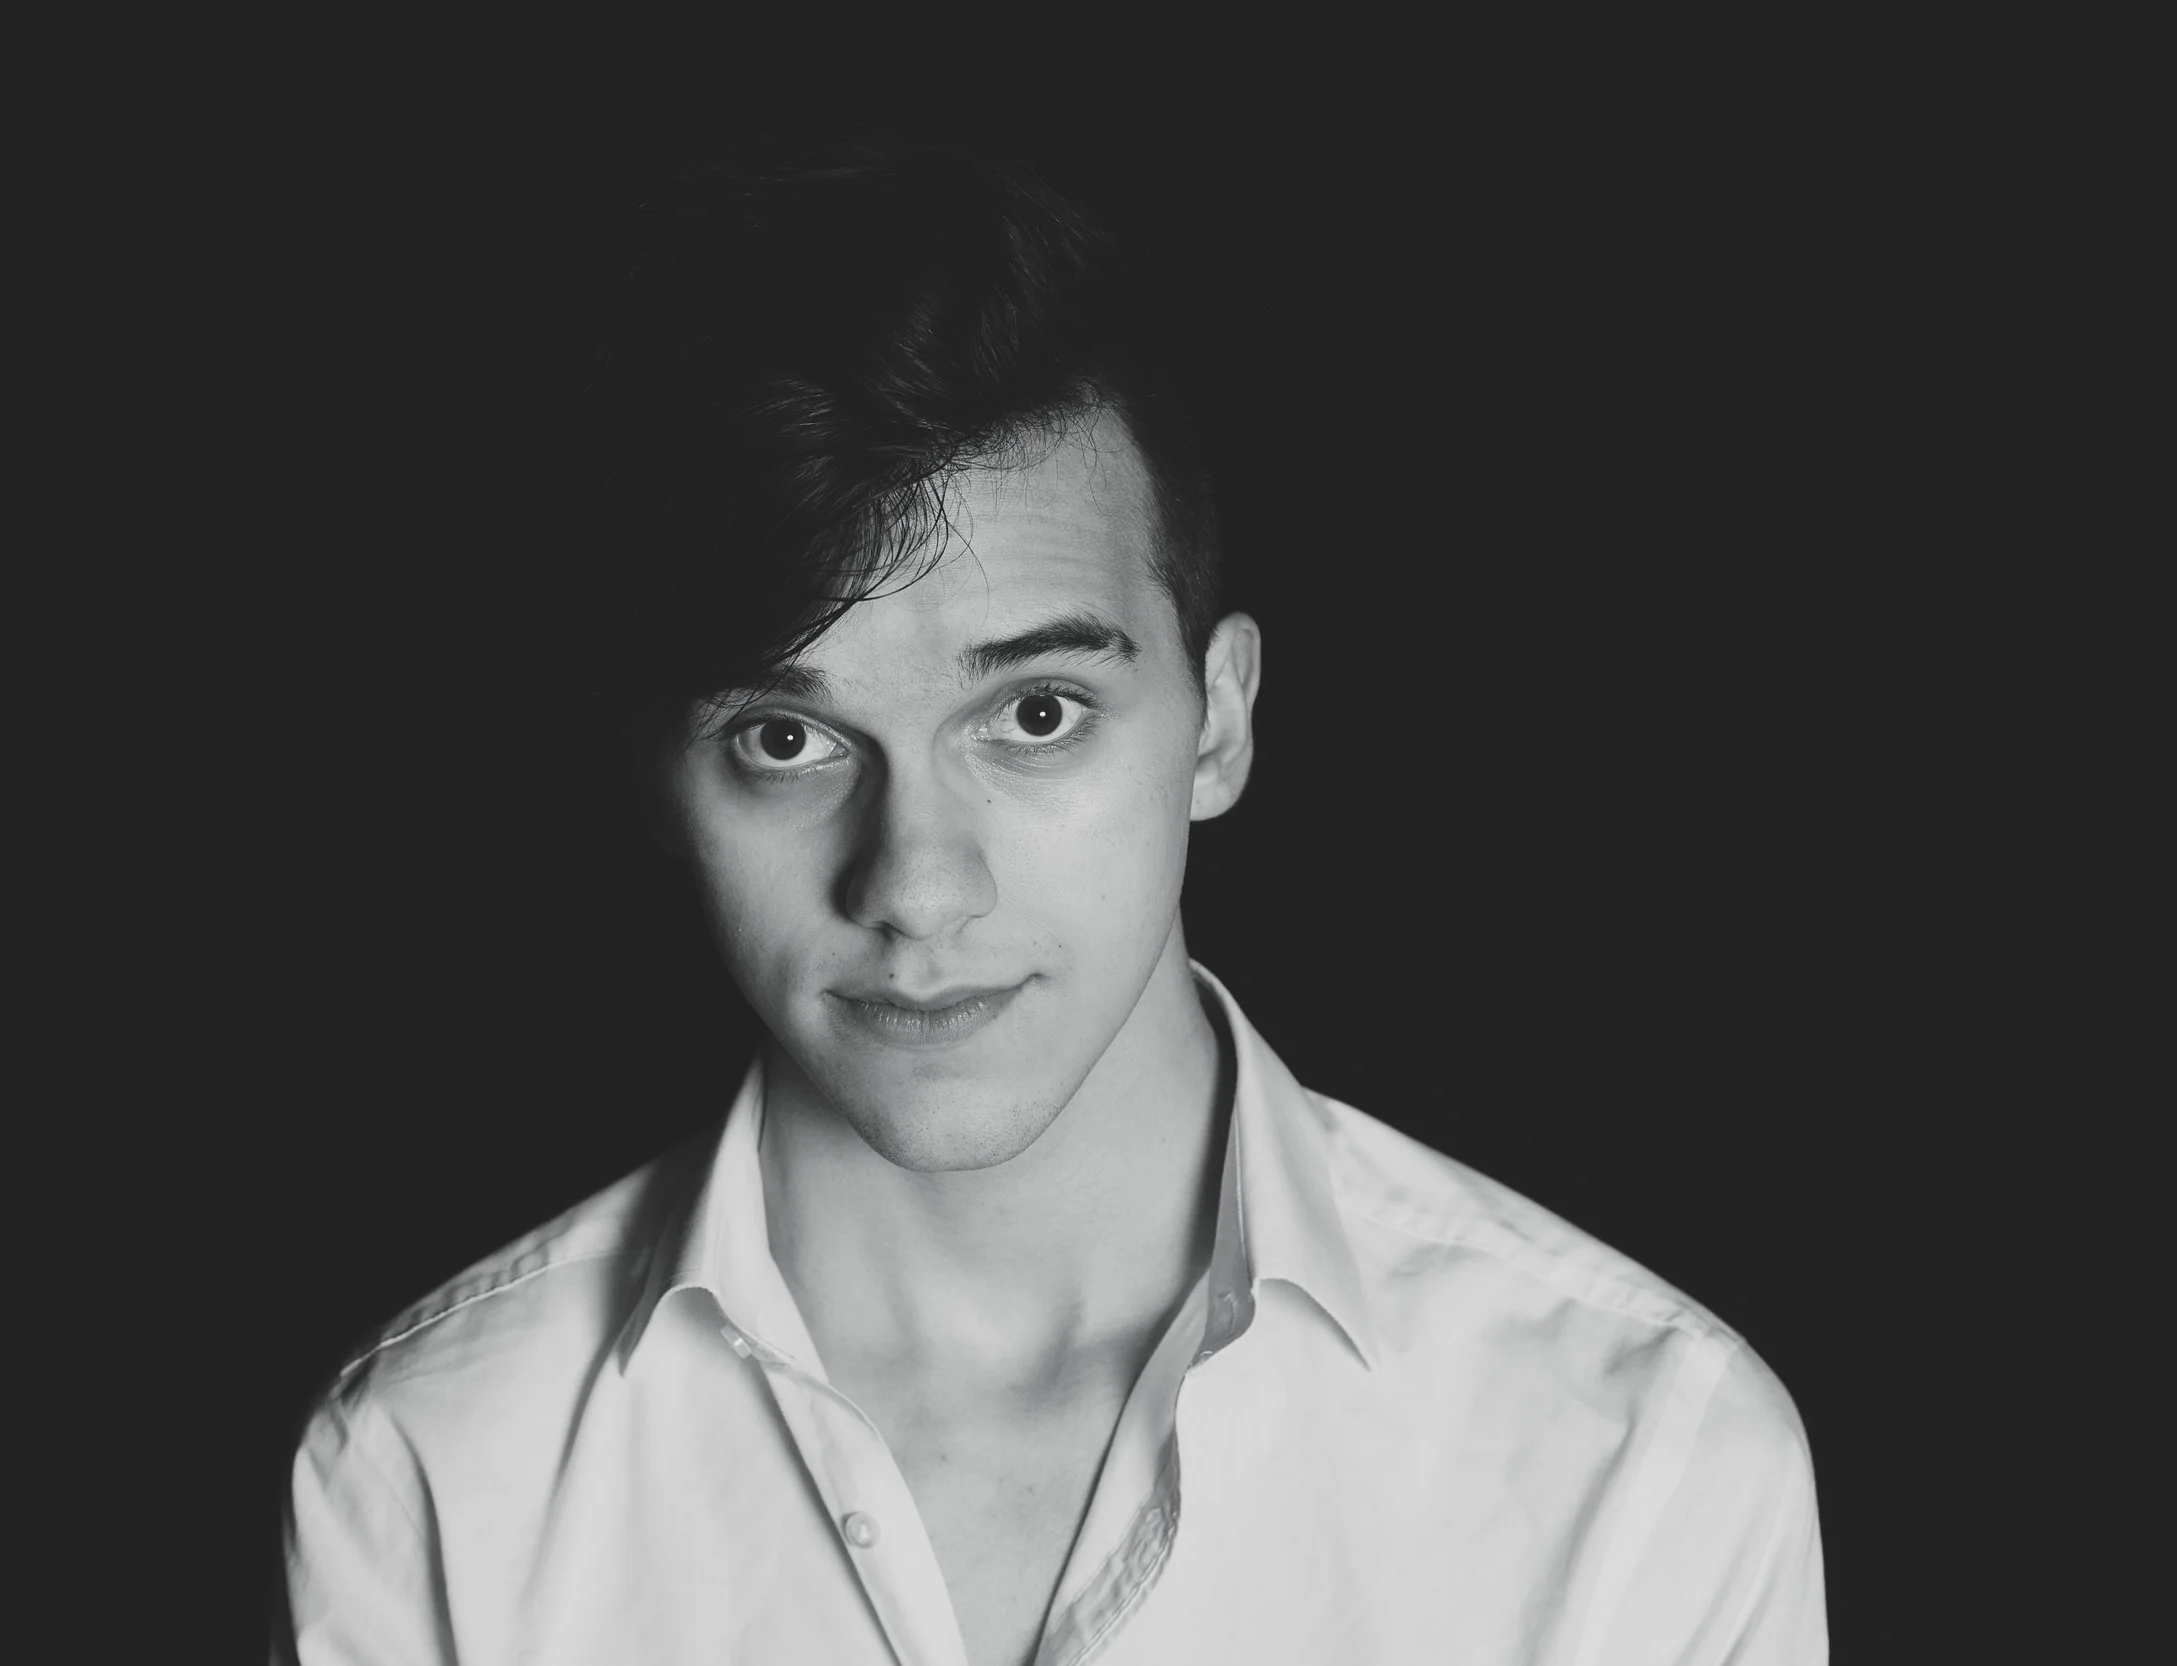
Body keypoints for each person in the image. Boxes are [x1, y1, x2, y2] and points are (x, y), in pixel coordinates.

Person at [277, 135, 1827, 1666]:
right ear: (661, 786)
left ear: (1216, 724)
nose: (915, 884)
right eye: (787, 738)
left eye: (1034, 713)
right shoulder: (434, 1478)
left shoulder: (1641, 1468)